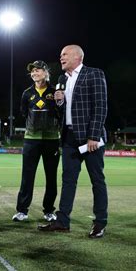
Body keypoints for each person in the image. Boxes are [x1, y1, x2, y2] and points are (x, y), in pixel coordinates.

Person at [38, 44, 108, 238]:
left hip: (89, 138)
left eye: (64, 54)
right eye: (60, 54)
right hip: (69, 137)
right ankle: (62, 221)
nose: (61, 57)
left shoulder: (94, 74)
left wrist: (94, 135)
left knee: (97, 180)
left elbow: (100, 106)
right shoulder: (62, 79)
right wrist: (59, 101)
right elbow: (63, 112)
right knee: (68, 180)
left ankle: (100, 222)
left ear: (78, 57)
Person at [12, 60, 60, 223]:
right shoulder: (27, 93)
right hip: (31, 140)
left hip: (52, 140)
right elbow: (23, 113)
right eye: (32, 71)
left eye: (38, 70)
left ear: (46, 73)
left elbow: (61, 112)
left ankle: (49, 211)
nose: (34, 73)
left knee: (51, 177)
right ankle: (22, 211)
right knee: (27, 177)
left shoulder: (55, 92)